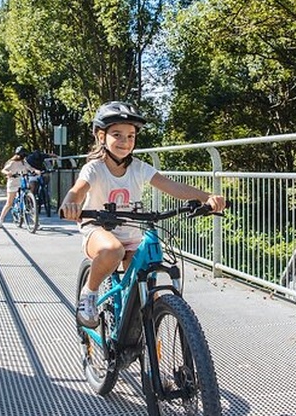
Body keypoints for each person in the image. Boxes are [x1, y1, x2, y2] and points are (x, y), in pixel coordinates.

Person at [59, 101, 226, 328]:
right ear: (101, 136)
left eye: (131, 136)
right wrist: (70, 204)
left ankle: (145, 335)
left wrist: (207, 197)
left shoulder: (138, 168)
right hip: (98, 231)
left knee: (145, 287)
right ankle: (89, 294)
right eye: (117, 135)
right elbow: (78, 190)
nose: (125, 141)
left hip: (131, 235)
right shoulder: (95, 168)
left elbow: (172, 186)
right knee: (113, 250)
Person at [0, 146, 40, 228]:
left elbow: (30, 168)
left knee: (29, 200)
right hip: (13, 183)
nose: (22, 157)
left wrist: (35, 171)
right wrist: (8, 173)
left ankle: (35, 221)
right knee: (9, 203)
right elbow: (3, 170)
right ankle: (0, 219)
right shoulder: (12, 162)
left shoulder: (24, 162)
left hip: (22, 182)